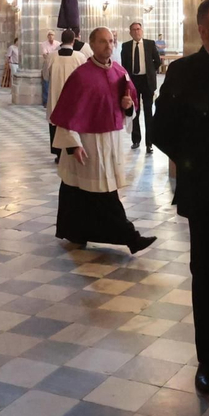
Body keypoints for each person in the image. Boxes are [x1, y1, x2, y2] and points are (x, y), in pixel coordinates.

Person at [153, 0, 209, 395]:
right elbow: (161, 130)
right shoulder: (185, 71)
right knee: (207, 277)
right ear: (204, 30)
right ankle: (207, 360)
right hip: (206, 194)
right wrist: (194, 164)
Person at [51, 27, 157, 253]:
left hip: (111, 142)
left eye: (111, 41)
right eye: (102, 42)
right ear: (92, 44)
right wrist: (73, 144)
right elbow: (67, 113)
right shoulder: (81, 76)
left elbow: (130, 107)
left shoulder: (120, 73)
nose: (108, 46)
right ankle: (131, 238)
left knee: (79, 191)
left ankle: (75, 231)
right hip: (87, 143)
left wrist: (128, 107)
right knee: (103, 194)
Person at [122, 21, 163, 151]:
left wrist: (150, 72)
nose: (136, 32)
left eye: (138, 29)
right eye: (133, 30)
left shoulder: (150, 44)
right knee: (135, 111)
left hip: (147, 81)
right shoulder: (126, 46)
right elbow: (124, 65)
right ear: (130, 32)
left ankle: (149, 143)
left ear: (142, 30)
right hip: (133, 81)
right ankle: (136, 140)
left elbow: (157, 61)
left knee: (148, 112)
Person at [48, 28, 83, 160]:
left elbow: (45, 75)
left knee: (55, 123)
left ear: (61, 40)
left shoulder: (52, 56)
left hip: (55, 96)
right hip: (74, 97)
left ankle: (58, 153)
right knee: (71, 123)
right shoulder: (79, 57)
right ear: (74, 40)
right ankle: (72, 149)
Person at [40, 29, 59, 106]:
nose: (51, 36)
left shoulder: (58, 44)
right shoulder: (44, 44)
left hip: (56, 63)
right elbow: (45, 55)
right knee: (46, 81)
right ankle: (45, 101)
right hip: (47, 63)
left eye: (52, 35)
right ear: (47, 36)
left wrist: (50, 54)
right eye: (49, 35)